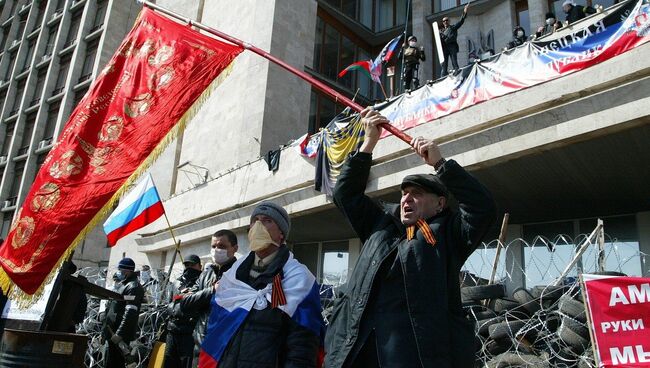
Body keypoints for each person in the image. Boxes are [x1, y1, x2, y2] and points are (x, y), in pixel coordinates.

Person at [324, 108, 497, 368]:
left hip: (413, 357)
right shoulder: (380, 225)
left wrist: (441, 165)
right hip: (355, 352)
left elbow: (483, 207)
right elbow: (345, 194)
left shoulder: (450, 235)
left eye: (416, 193)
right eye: (404, 193)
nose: (406, 198)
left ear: (439, 204)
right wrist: (368, 142)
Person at [200, 201, 323, 367]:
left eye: (267, 220)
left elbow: (303, 346)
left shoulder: (299, 280)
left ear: (282, 233)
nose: (258, 226)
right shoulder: (232, 276)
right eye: (255, 220)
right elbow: (215, 330)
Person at [179, 229, 239, 363]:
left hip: (225, 349)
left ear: (235, 248)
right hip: (200, 346)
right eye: (214, 246)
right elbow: (185, 303)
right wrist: (211, 290)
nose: (217, 250)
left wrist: (200, 298)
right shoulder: (206, 274)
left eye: (222, 246)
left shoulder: (240, 274)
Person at [104, 258, 145, 368]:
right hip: (112, 330)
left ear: (127, 271)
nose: (119, 272)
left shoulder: (133, 287)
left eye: (120, 270)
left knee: (116, 362)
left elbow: (130, 312)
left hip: (119, 333)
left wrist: (120, 334)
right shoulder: (124, 285)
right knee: (110, 361)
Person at [164, 254, 203, 368]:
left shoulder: (202, 282)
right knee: (169, 362)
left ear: (200, 266)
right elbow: (169, 302)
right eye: (187, 264)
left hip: (189, 333)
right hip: (172, 330)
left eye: (192, 265)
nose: (189, 267)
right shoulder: (177, 282)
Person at [440, 3, 470, 78]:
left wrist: (464, 12)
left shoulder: (453, 27)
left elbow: (461, 21)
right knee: (444, 63)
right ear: (443, 23)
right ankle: (443, 75)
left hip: (452, 46)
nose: (445, 22)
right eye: (444, 21)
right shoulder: (442, 31)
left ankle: (456, 71)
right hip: (444, 47)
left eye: (446, 20)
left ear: (449, 21)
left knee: (454, 61)